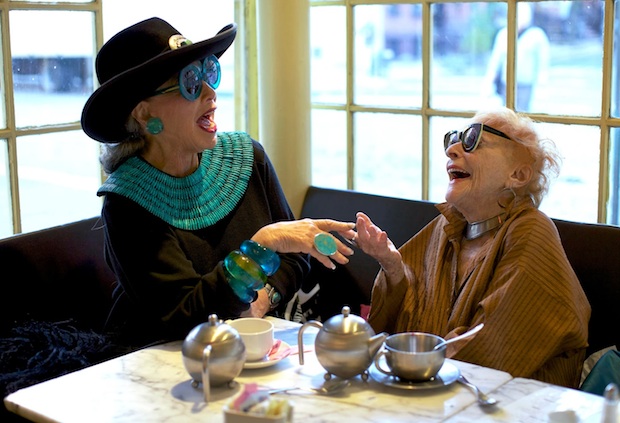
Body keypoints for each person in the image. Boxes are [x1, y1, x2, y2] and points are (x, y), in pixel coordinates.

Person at [80, 17, 355, 348]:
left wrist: (262, 299)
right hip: (162, 357)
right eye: (190, 82)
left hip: (247, 347)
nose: (211, 92)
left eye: (208, 73)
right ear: (144, 113)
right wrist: (261, 246)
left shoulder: (247, 157)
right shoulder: (127, 201)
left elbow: (295, 255)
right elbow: (182, 314)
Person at [354, 107, 590, 388]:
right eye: (454, 139)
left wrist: (420, 359)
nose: (451, 150)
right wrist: (393, 268)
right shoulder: (448, 226)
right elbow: (407, 326)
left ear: (517, 175)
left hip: (509, 402)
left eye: (472, 140)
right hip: (436, 390)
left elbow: (495, 344)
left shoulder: (531, 230)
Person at [483, 3, 550, 111]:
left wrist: (541, 89)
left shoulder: (537, 36)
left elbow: (542, 65)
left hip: (526, 86)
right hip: (506, 85)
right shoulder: (503, 34)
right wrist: (488, 82)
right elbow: (495, 62)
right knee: (506, 115)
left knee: (522, 115)